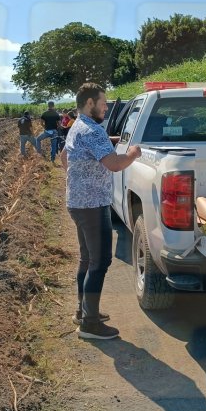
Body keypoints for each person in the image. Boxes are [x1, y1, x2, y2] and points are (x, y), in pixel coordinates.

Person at [60, 83, 141, 339]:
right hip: (93, 206)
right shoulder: (93, 130)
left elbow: (64, 158)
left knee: (87, 260)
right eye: (103, 103)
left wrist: (81, 178)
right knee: (100, 262)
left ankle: (83, 312)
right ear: (90, 103)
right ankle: (90, 325)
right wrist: (132, 153)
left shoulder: (78, 126)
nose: (106, 107)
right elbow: (116, 165)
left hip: (78, 202)